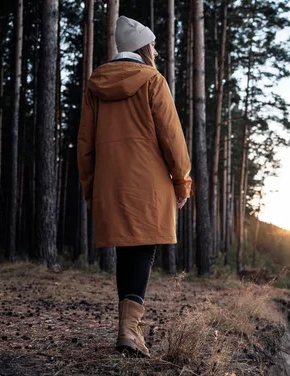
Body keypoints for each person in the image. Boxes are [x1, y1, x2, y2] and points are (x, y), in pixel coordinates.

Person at [77, 16, 191, 357]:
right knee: (142, 250)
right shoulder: (152, 80)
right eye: (153, 45)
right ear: (144, 47)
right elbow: (173, 137)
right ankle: (129, 331)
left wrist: (90, 188)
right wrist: (182, 183)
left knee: (126, 252)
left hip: (111, 183)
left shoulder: (95, 83)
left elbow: (85, 143)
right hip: (149, 182)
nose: (156, 50)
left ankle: (128, 331)